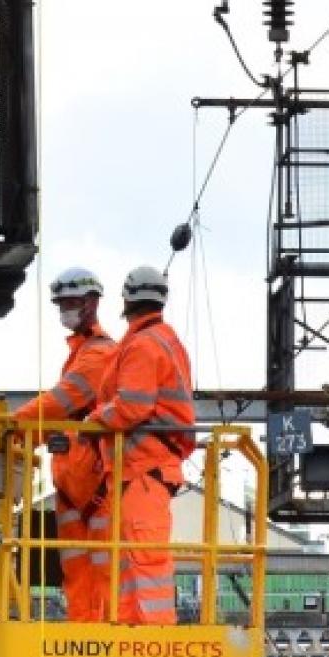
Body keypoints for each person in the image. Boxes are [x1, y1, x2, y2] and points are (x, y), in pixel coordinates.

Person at [90, 266, 193, 625]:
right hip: (141, 470)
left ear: (126, 300)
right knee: (131, 557)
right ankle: (130, 628)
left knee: (144, 557)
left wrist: (92, 424)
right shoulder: (160, 339)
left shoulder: (144, 345)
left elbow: (132, 405)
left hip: (144, 467)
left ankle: (151, 634)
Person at [15, 266, 115, 620]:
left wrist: (15, 428)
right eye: (61, 304)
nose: (64, 310)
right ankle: (83, 632)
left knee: (101, 569)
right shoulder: (81, 352)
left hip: (96, 484)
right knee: (77, 571)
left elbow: (62, 400)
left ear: (91, 303)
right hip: (75, 483)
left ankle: (101, 636)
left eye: (70, 302)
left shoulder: (98, 355)